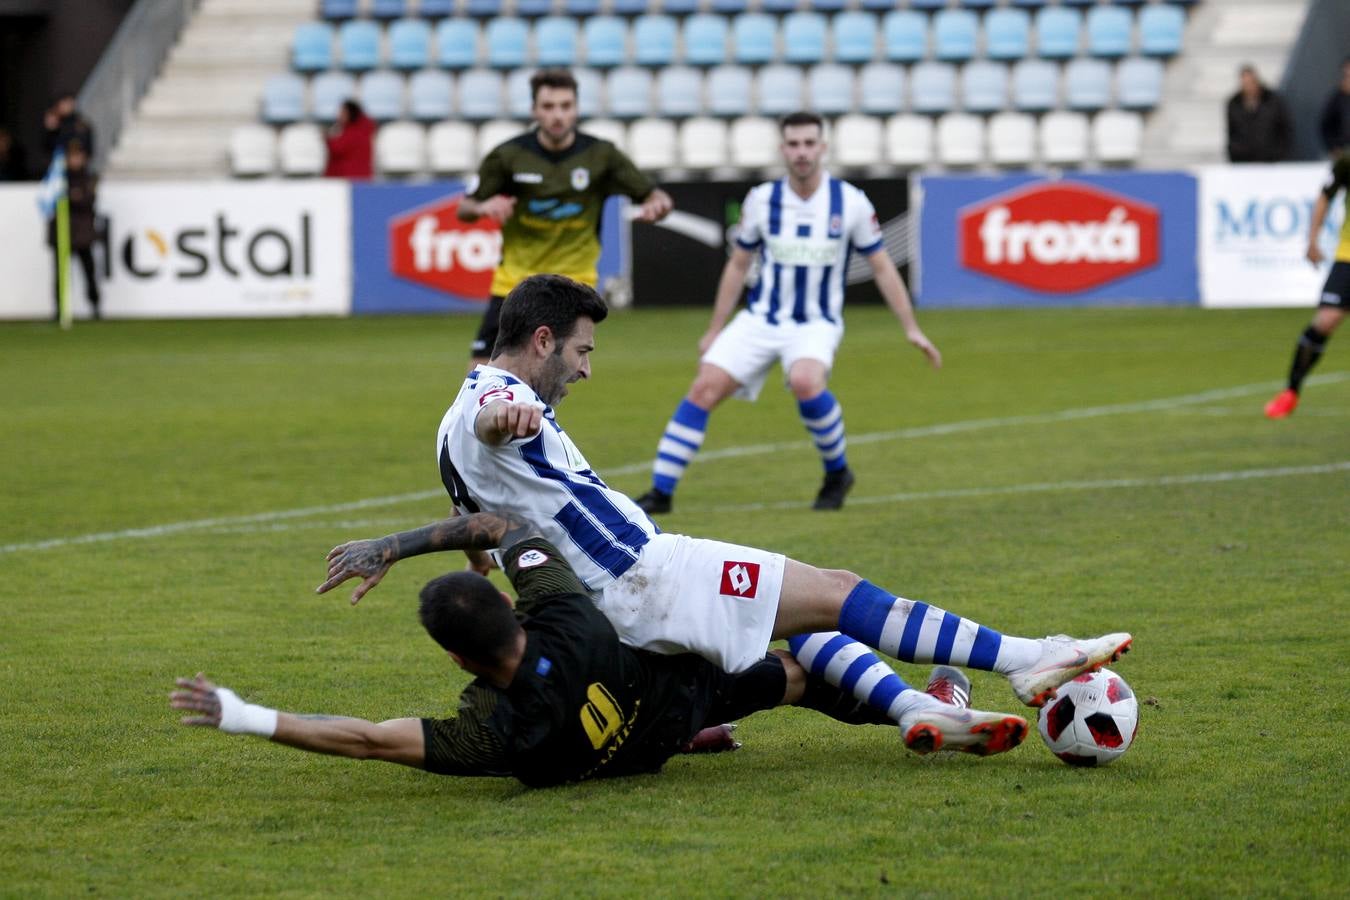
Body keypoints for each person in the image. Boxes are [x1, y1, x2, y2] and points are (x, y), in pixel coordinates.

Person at [352, 273, 1131, 755]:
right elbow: (500, 408)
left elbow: (480, 550)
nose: (586, 369)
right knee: (834, 588)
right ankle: (1030, 656)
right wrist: (510, 419)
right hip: (644, 577)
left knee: (803, 633)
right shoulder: (500, 398)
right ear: (544, 339)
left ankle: (920, 709)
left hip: (601, 614)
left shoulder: (447, 436)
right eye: (582, 352)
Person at [173, 512, 989, 786]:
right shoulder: (565, 615)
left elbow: (366, 738)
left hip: (638, 749)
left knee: (783, 676)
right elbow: (503, 527)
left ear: (459, 661)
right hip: (682, 694)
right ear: (506, 602)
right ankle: (931, 703)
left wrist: (240, 714)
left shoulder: (490, 731)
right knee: (802, 662)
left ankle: (925, 707)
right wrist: (395, 544)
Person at [632, 112, 941, 515]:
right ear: (783, 149)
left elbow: (882, 266)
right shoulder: (762, 200)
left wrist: (911, 328)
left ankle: (837, 473)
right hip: (762, 317)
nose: (801, 152)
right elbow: (739, 264)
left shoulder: (849, 202)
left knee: (805, 381)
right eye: (793, 144)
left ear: (823, 147)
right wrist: (715, 328)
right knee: (704, 386)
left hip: (816, 322)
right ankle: (661, 492)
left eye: (809, 143)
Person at [456, 68, 673, 366]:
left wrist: (657, 206)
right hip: (514, 284)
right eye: (548, 107)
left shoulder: (601, 156)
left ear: (576, 108)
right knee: (479, 373)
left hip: (573, 285)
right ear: (534, 110)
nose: (557, 115)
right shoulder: (508, 156)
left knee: (554, 371)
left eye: (565, 106)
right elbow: (464, 208)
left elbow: (656, 195)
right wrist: (483, 208)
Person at [1263, 155, 1350, 419]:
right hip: (1348, 256)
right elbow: (1326, 196)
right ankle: (1291, 391)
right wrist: (1312, 239)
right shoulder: (1347, 162)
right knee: (1326, 319)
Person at [47, 140, 101, 320]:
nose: (75, 160)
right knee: (61, 275)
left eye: (78, 156)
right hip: (62, 233)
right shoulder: (58, 178)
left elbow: (88, 200)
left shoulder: (89, 177)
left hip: (83, 234)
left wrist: (71, 197)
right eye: (72, 156)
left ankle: (95, 306)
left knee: (89, 272)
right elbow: (50, 201)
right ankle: (60, 310)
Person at [1226, 64, 1292, 163]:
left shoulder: (1273, 101)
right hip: (1245, 161)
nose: (1249, 87)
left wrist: (1279, 153)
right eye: (1245, 83)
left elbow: (1285, 129)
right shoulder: (1234, 103)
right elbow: (1232, 132)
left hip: (1271, 160)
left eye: (1251, 82)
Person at [323, 99, 374, 179]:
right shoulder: (365, 129)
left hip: (349, 179)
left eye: (342, 112)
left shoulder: (354, 132)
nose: (338, 115)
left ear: (350, 113)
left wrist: (328, 138)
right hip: (360, 177)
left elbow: (337, 148)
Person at [42, 92, 94, 164]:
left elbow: (87, 146)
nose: (67, 106)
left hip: (76, 164)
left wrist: (81, 155)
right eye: (65, 102)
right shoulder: (54, 122)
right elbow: (46, 147)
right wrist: (49, 131)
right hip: (56, 164)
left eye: (69, 103)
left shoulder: (79, 124)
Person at [1318, 57, 1350, 158]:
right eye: (1346, 75)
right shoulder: (1336, 100)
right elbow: (1326, 127)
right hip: (1343, 152)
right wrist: (1333, 148)